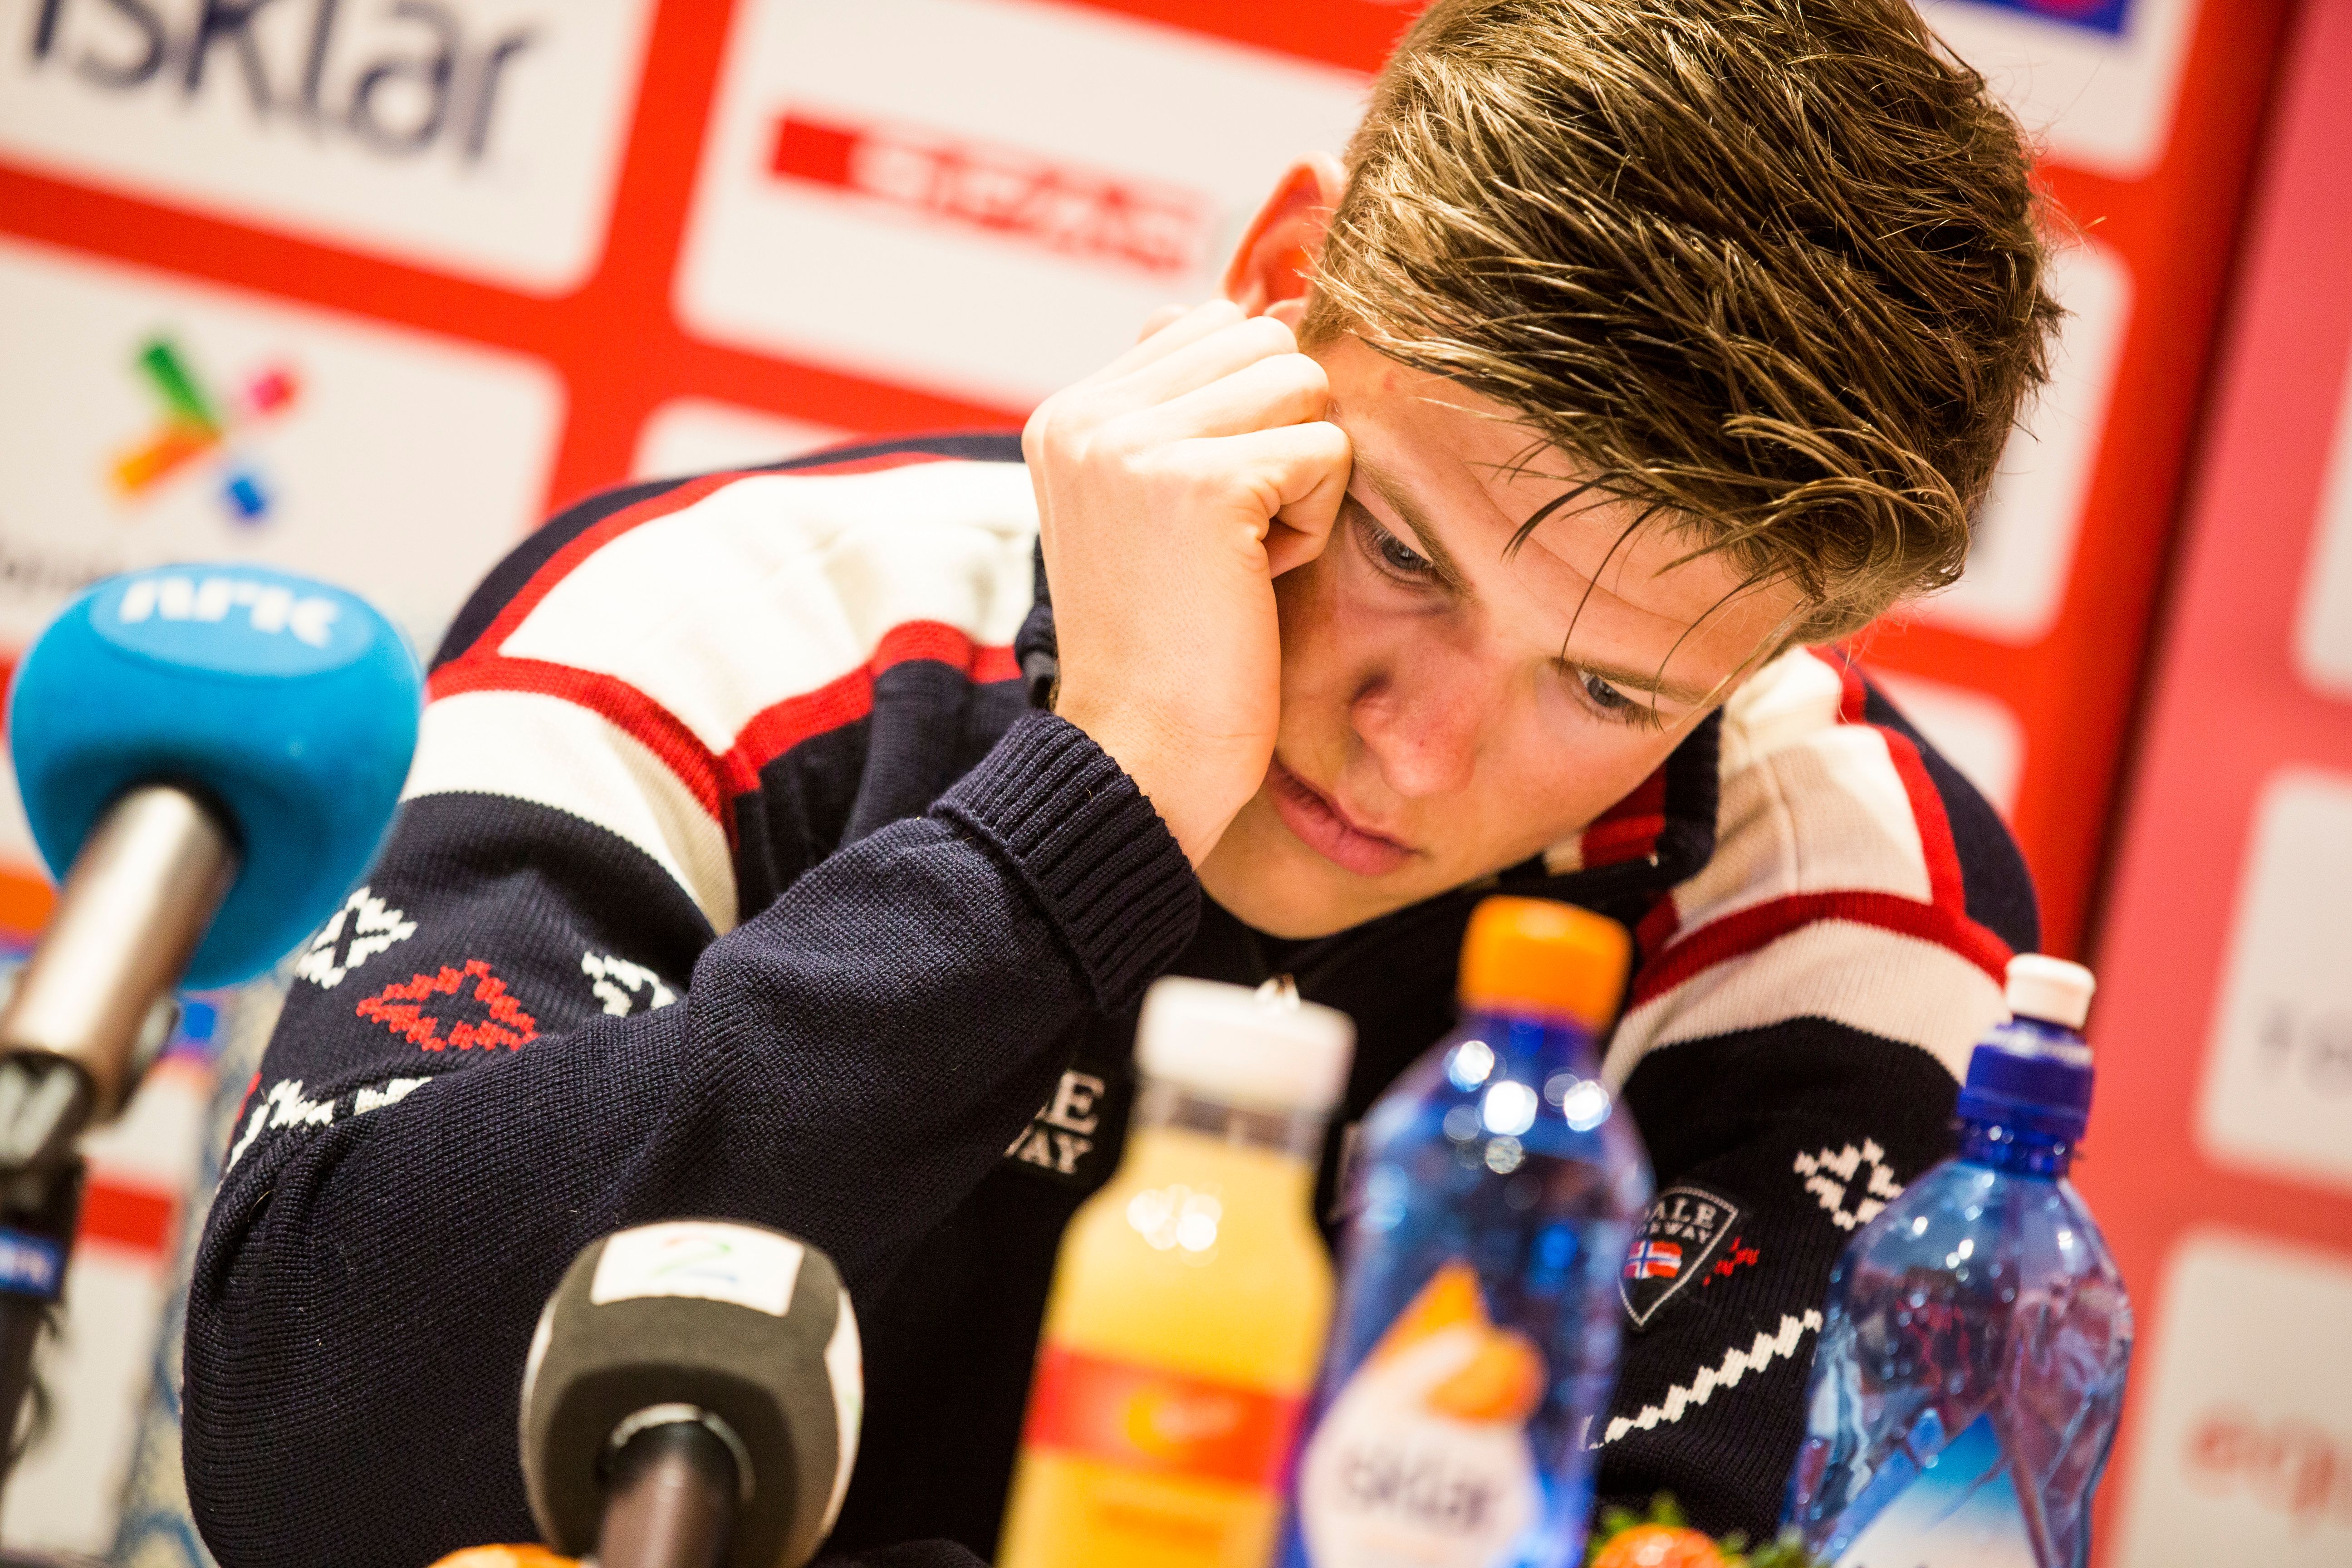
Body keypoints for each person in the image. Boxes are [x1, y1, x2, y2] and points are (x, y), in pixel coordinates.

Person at [182, 2, 2056, 1563]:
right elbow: (307, 1445)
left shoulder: (1845, 890)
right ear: (1285, 284)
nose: (1416, 747)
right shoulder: (730, 619)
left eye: (1610, 687)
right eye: (1403, 553)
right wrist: (1107, 786)